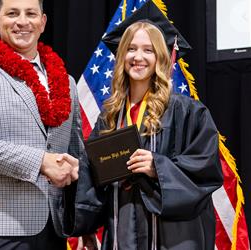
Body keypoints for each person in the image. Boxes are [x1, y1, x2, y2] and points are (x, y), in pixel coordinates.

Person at [58, 2, 223, 250]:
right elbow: (94, 180)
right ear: (122, 55)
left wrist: (158, 167)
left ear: (161, 57)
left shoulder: (187, 111)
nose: (138, 57)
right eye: (131, 49)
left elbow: (206, 170)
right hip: (122, 233)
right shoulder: (110, 116)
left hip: (172, 238)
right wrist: (77, 176)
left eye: (148, 50)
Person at [0, 0, 82, 249]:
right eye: (12, 13)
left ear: (42, 23)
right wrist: (41, 162)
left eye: (31, 13)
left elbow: (75, 150)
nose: (22, 21)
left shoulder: (67, 82)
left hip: (54, 228)